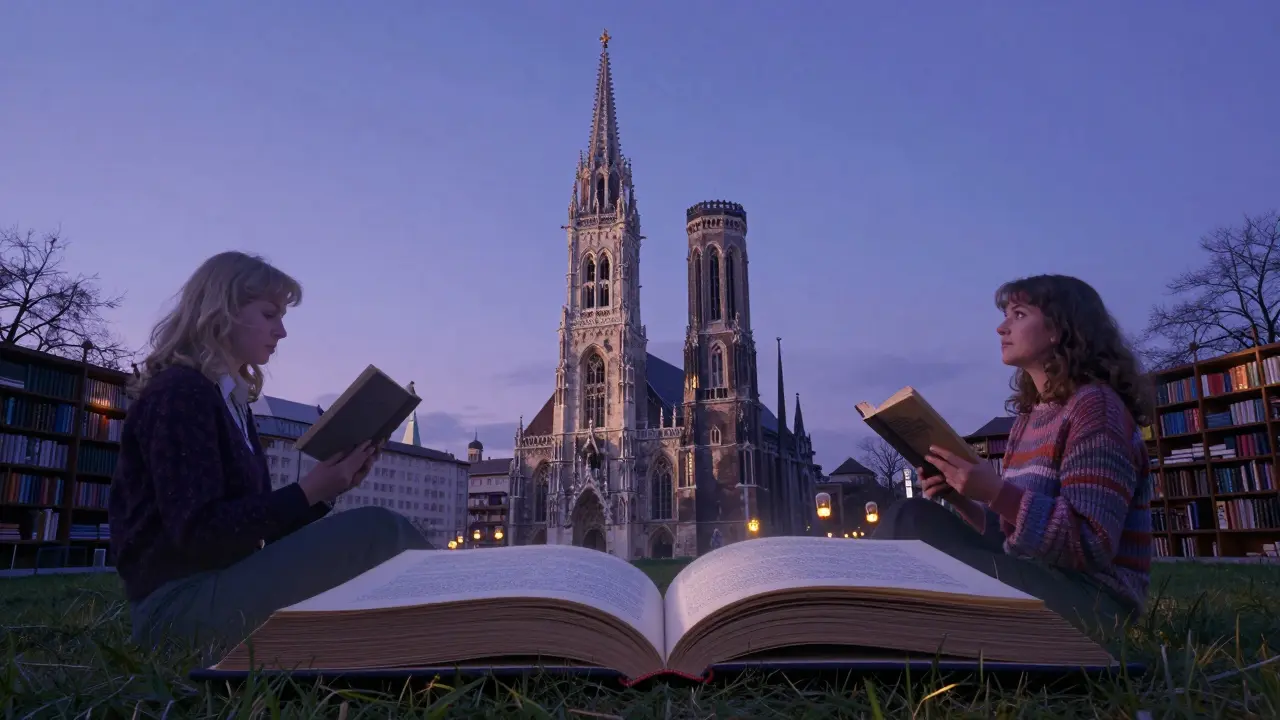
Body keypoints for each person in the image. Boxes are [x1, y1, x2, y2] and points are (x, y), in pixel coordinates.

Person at [108, 250, 433, 656]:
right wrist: (307, 492)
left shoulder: (232, 404)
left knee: (370, 542)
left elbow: (248, 532)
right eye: (269, 315)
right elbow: (200, 534)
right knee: (380, 530)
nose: (281, 332)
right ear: (222, 312)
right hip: (177, 611)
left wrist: (327, 489)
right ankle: (482, 619)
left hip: (220, 586)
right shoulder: (180, 394)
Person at [872, 274, 1154, 638]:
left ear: (1059, 328)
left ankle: (847, 622)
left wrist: (995, 492)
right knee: (909, 517)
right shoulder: (1029, 420)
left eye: (1019, 315)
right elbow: (1012, 539)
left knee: (910, 544)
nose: (1001, 327)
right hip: (1040, 576)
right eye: (1006, 315)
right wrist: (963, 498)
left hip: (1094, 603)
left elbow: (1090, 544)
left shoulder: (1095, 409)